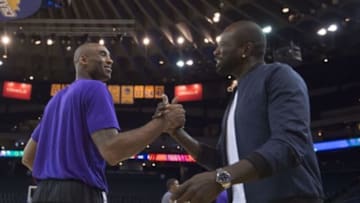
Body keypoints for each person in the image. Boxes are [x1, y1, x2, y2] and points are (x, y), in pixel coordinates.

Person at [163, 20, 324, 203]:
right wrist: (177, 133)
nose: (215, 52)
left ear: (245, 50)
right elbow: (222, 162)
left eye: (222, 46)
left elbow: (288, 146)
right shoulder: (235, 98)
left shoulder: (278, 76)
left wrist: (219, 179)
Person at [21, 43, 185, 203]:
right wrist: (161, 124)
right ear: (84, 60)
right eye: (102, 54)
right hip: (78, 193)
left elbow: (28, 157)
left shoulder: (55, 100)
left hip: (43, 193)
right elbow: (112, 151)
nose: (110, 60)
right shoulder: (95, 88)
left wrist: (55, 177)